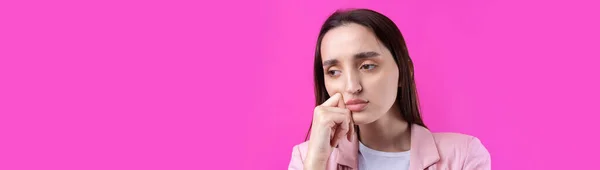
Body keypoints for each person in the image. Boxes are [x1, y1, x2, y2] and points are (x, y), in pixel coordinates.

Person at [288, 8, 491, 170]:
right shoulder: (307, 158)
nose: (352, 87)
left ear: (404, 72)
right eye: (333, 71)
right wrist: (316, 162)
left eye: (367, 66)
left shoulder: (463, 156)